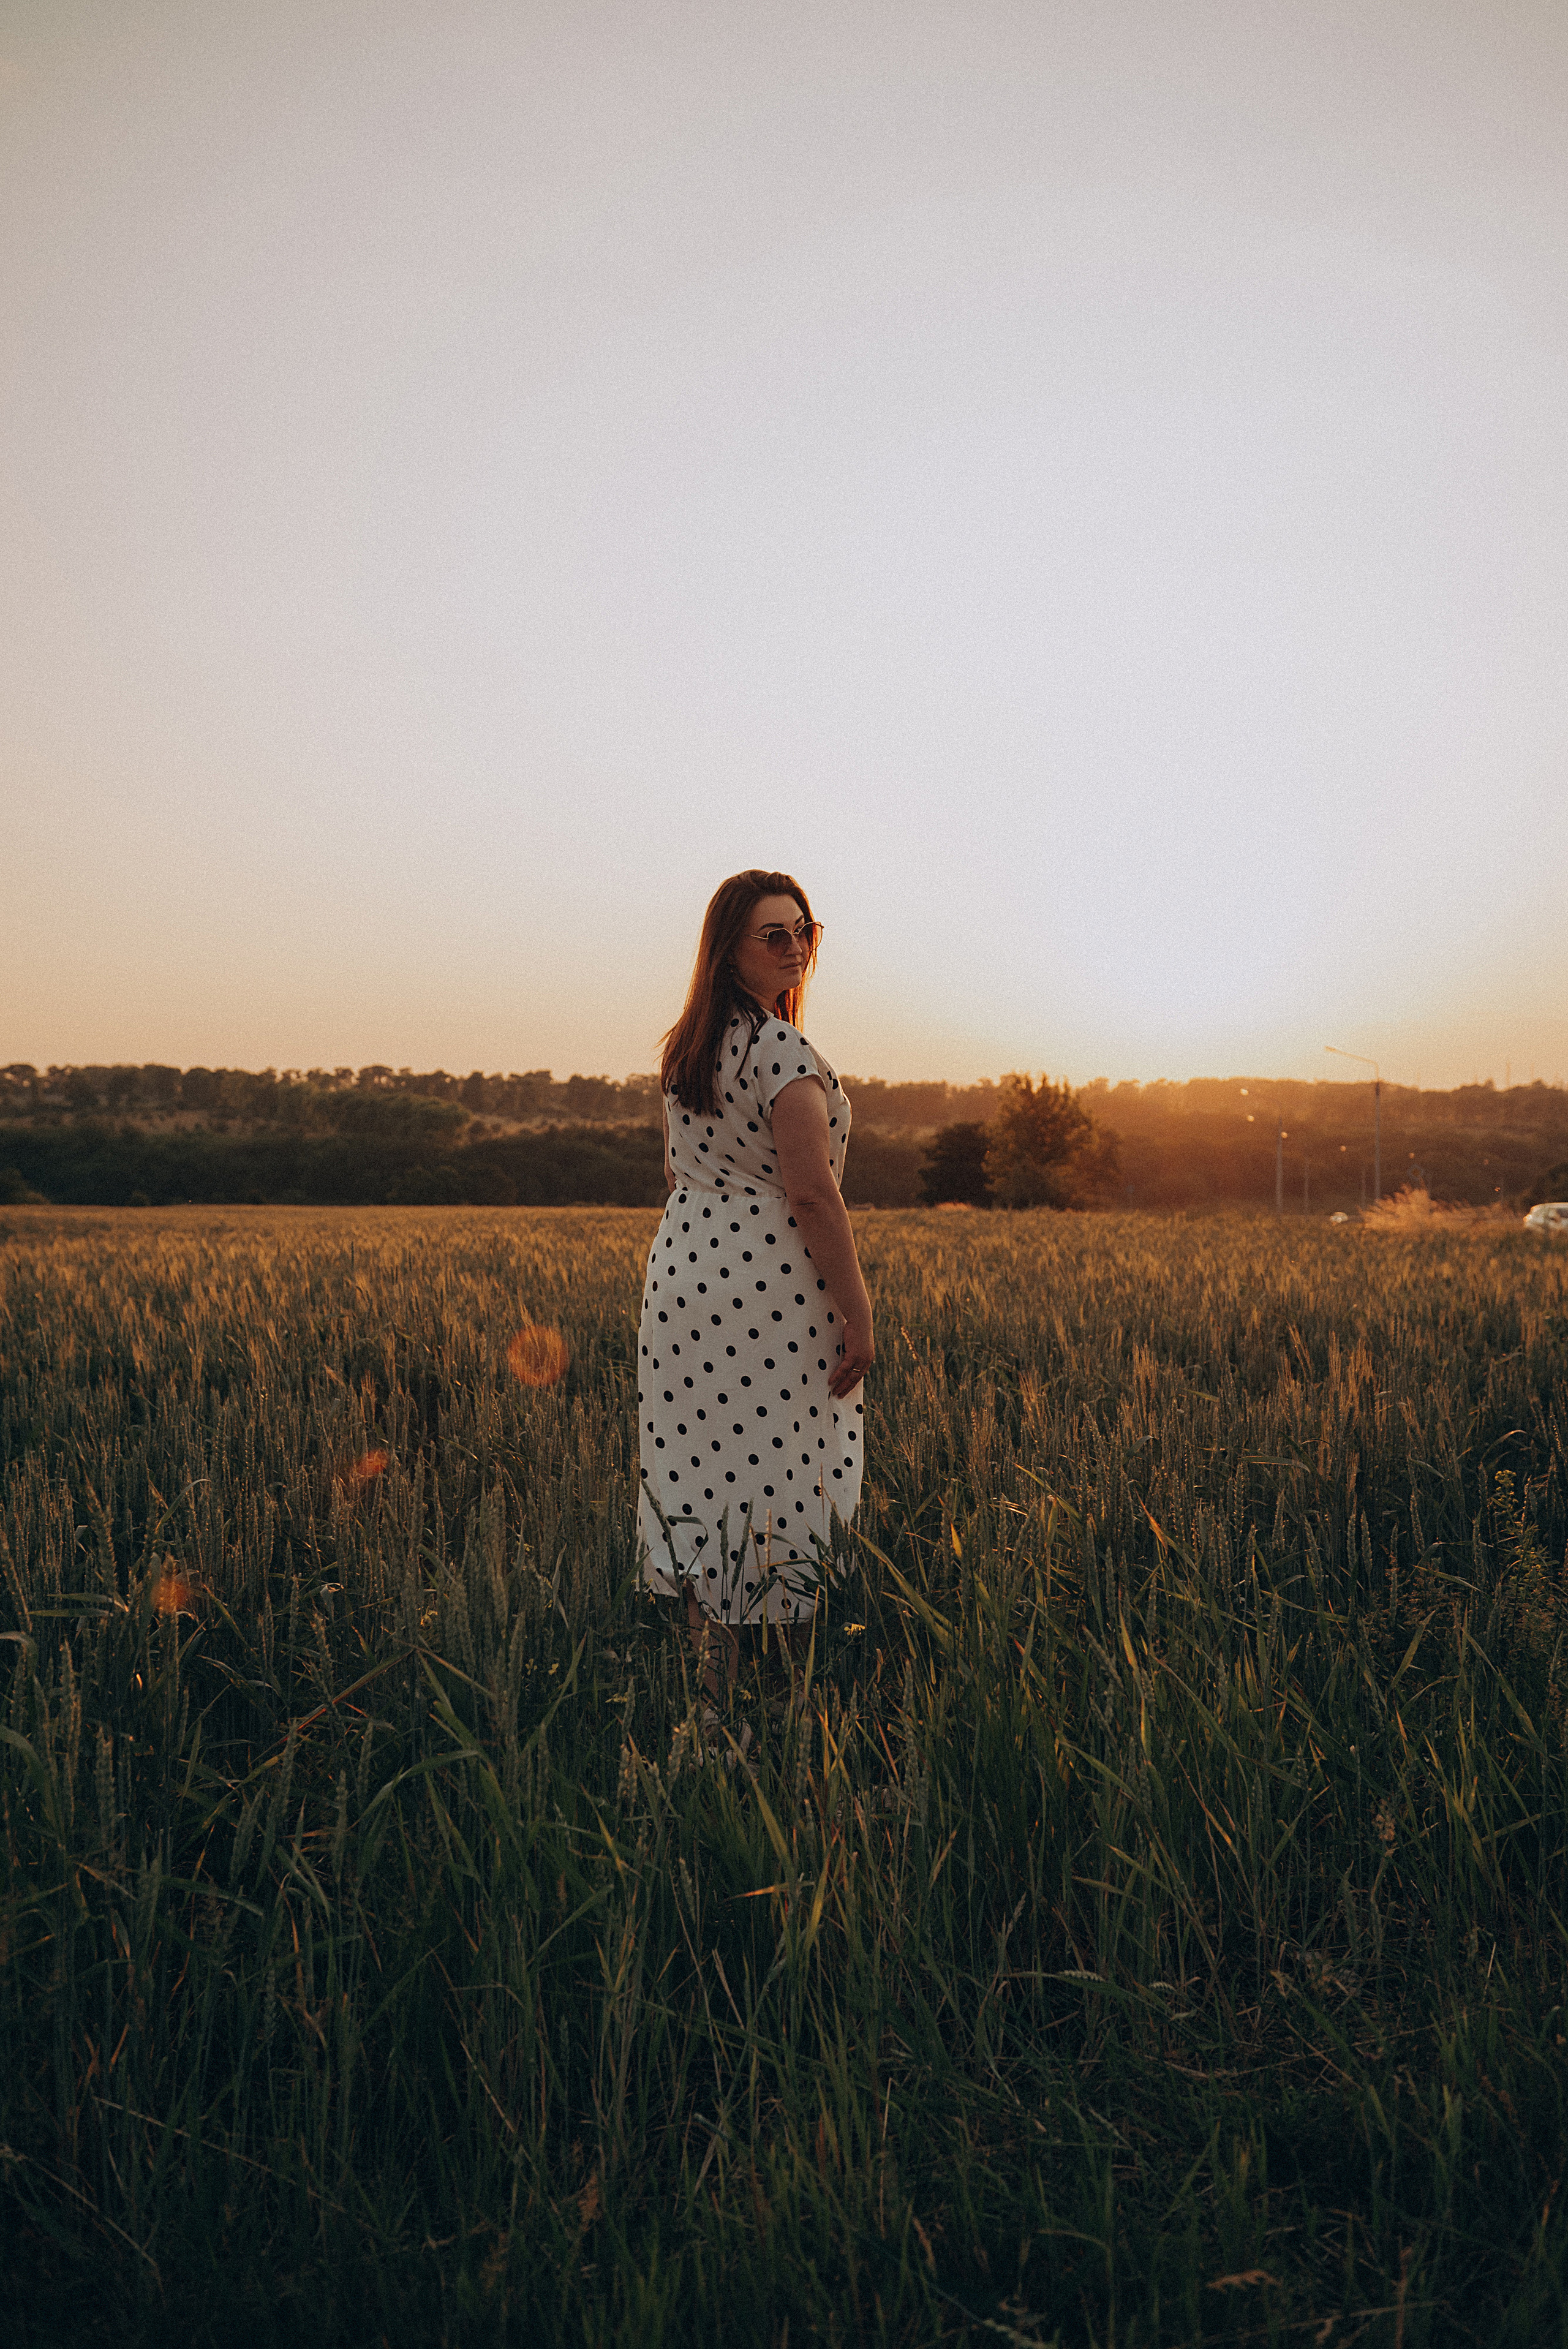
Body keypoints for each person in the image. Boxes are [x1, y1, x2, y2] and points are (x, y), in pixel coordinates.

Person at [636, 869, 873, 1703]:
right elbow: (811, 1192)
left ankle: (711, 1702)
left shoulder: (687, 1049)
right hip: (769, 1285)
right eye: (775, 934)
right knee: (786, 1478)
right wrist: (857, 1308)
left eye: (806, 929)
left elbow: (678, 1171)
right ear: (729, 953)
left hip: (685, 1274)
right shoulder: (780, 1050)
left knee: (704, 1478)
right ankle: (789, 1696)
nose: (797, 947)